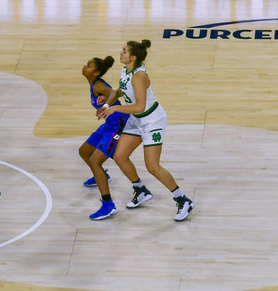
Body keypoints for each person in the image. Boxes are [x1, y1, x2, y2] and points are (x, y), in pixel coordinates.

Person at [97, 39, 194, 222]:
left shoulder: (139, 77)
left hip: (152, 121)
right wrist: (108, 101)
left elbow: (140, 106)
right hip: (137, 120)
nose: (121, 53)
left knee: (152, 166)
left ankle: (183, 200)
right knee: (119, 156)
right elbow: (120, 91)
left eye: (124, 51)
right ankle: (140, 189)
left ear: (133, 57)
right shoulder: (126, 70)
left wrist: (115, 109)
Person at [78, 55, 127, 219]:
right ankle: (102, 176)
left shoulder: (98, 85)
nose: (85, 66)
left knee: (95, 161)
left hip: (118, 123)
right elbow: (111, 96)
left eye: (89, 65)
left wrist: (106, 105)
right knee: (84, 151)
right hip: (109, 123)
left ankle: (108, 205)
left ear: (96, 72)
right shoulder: (94, 84)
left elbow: (114, 93)